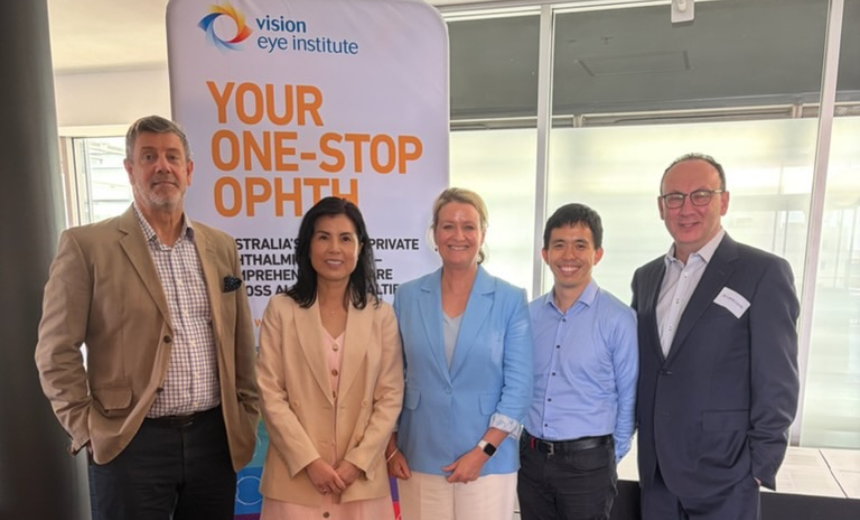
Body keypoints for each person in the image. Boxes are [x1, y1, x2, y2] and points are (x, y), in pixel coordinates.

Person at [34, 115, 259, 520]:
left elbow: (241, 339)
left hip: (213, 440)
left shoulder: (221, 246)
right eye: (149, 157)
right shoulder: (87, 246)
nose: (162, 167)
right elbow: (55, 351)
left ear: (189, 171)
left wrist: (246, 410)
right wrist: (86, 428)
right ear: (129, 169)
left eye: (172, 157)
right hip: (130, 442)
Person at [631, 153, 800, 520]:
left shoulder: (762, 272)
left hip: (727, 474)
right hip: (657, 474)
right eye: (675, 198)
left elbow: (777, 377)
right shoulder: (646, 277)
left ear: (723, 201)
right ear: (661, 207)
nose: (686, 208)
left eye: (701, 195)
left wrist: (760, 465)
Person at [386, 187, 533, 520]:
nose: (458, 236)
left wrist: (482, 451)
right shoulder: (408, 296)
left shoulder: (510, 299)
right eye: (448, 226)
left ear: (483, 234)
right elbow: (391, 376)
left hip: (489, 461)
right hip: (418, 455)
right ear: (434, 233)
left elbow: (519, 387)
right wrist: (390, 447)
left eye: (468, 226)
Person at [256, 196, 404, 520]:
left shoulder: (381, 315)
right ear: (307, 246)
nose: (334, 248)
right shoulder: (281, 310)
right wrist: (310, 462)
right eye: (323, 237)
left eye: (345, 238)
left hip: (361, 484)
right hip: (294, 480)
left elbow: (390, 396)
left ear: (360, 248)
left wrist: (357, 462)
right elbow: (269, 393)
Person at [519, 203, 638, 520]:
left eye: (580, 245)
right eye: (559, 245)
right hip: (531, 459)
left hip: (588, 465)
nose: (568, 255)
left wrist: (609, 457)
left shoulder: (619, 319)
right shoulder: (528, 316)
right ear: (545, 254)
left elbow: (629, 395)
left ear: (597, 254)